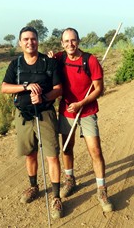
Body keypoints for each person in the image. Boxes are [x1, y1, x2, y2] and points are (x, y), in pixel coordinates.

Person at [48, 27, 114, 213]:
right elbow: (45, 67)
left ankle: (101, 190)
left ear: (78, 41)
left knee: (95, 151)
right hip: (67, 110)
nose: (70, 44)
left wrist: (81, 103)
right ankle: (70, 179)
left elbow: (98, 89)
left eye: (73, 40)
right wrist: (50, 58)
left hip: (87, 111)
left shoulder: (90, 60)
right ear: (62, 43)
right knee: (66, 147)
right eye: (66, 41)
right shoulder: (60, 58)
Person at [1, 26, 63, 219]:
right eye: (26, 39)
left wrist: (43, 97)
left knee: (52, 156)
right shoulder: (16, 65)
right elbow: (4, 88)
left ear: (38, 41)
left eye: (33, 39)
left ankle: (55, 196)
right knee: (30, 153)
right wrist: (25, 86)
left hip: (44, 113)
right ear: (20, 42)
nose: (30, 42)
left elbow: (58, 88)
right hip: (23, 116)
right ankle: (33, 186)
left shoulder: (48, 62)